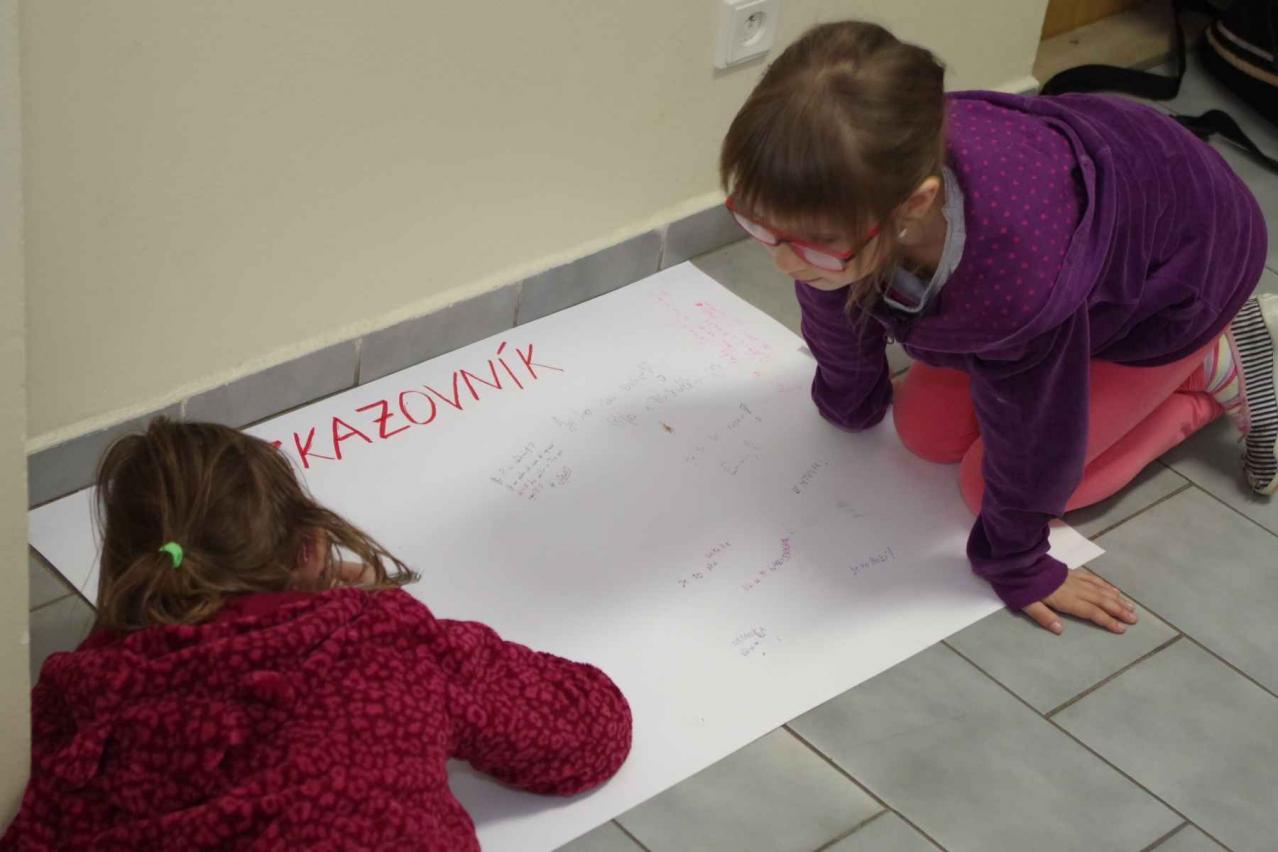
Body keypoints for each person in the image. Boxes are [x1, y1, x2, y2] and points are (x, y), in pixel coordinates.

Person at [720, 21, 1275, 634]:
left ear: (914, 205)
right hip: (1096, 242)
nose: (782, 262)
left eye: (814, 245)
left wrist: (1018, 563)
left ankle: (1211, 365)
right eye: (758, 226)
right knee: (922, 433)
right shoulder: (861, 177)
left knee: (986, 489)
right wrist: (850, 397)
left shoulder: (1015, 284)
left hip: (1182, 282)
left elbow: (1040, 430)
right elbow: (833, 293)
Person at [3, 418, 631, 850]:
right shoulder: (381, 641)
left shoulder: (79, 700)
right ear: (309, 548)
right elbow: (590, 733)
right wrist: (389, 612)